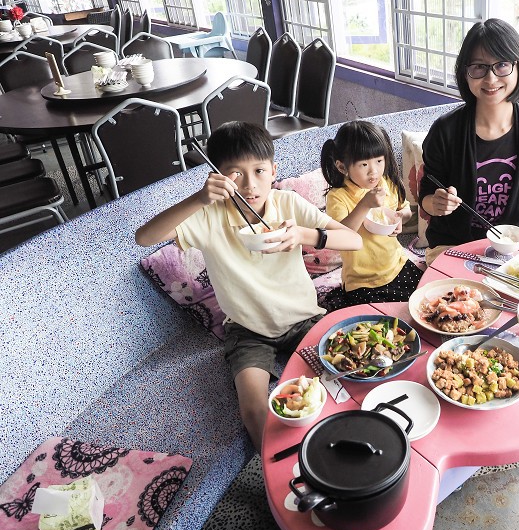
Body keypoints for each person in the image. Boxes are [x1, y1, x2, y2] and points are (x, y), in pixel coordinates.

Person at [135, 121, 362, 453]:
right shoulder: (209, 215)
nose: (251, 184)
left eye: (259, 170)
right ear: (219, 177)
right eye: (236, 174)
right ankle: (278, 472)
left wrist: (302, 234)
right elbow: (145, 238)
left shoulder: (287, 204)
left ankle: (346, 446)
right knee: (255, 409)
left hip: (304, 319)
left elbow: (352, 238)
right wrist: (198, 198)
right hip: (247, 331)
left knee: (344, 377)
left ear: (273, 170)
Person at [418, 18, 519, 265]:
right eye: (478, 67)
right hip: (454, 246)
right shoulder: (446, 130)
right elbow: (427, 196)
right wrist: (437, 203)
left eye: (502, 65)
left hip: (515, 244)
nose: (491, 79)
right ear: (465, 72)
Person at [320, 120, 423, 309]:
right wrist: (365, 204)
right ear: (342, 167)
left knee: (428, 304)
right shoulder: (338, 197)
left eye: (379, 161)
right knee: (384, 324)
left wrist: (402, 218)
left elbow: (405, 209)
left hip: (398, 266)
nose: (374, 171)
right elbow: (341, 234)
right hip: (362, 282)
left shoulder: (386, 184)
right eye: (364, 164)